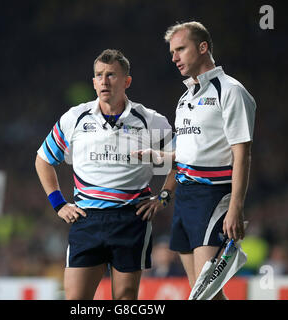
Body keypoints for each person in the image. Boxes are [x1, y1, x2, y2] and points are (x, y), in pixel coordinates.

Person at [35, 49, 172, 300]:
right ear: (94, 82)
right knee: (76, 300)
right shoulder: (75, 118)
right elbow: (43, 159)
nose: (104, 81)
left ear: (126, 81)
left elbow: (178, 162)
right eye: (99, 75)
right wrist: (58, 203)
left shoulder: (151, 121)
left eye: (111, 75)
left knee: (125, 299)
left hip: (131, 218)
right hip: (87, 219)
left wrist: (163, 197)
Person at [135, 21, 256, 300]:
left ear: (203, 48)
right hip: (186, 199)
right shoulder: (185, 97)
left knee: (205, 294)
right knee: (202, 295)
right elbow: (189, 153)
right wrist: (159, 160)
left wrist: (236, 207)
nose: (174, 57)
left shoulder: (231, 91)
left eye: (180, 49)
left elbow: (242, 153)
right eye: (172, 52)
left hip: (213, 197)